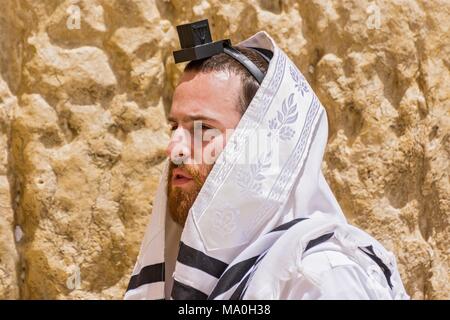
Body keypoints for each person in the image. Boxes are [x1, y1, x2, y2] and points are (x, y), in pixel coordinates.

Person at [124, 26, 409, 300]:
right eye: (174, 127)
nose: (174, 149)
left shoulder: (319, 276)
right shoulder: (195, 274)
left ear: (261, 146)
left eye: (202, 129)